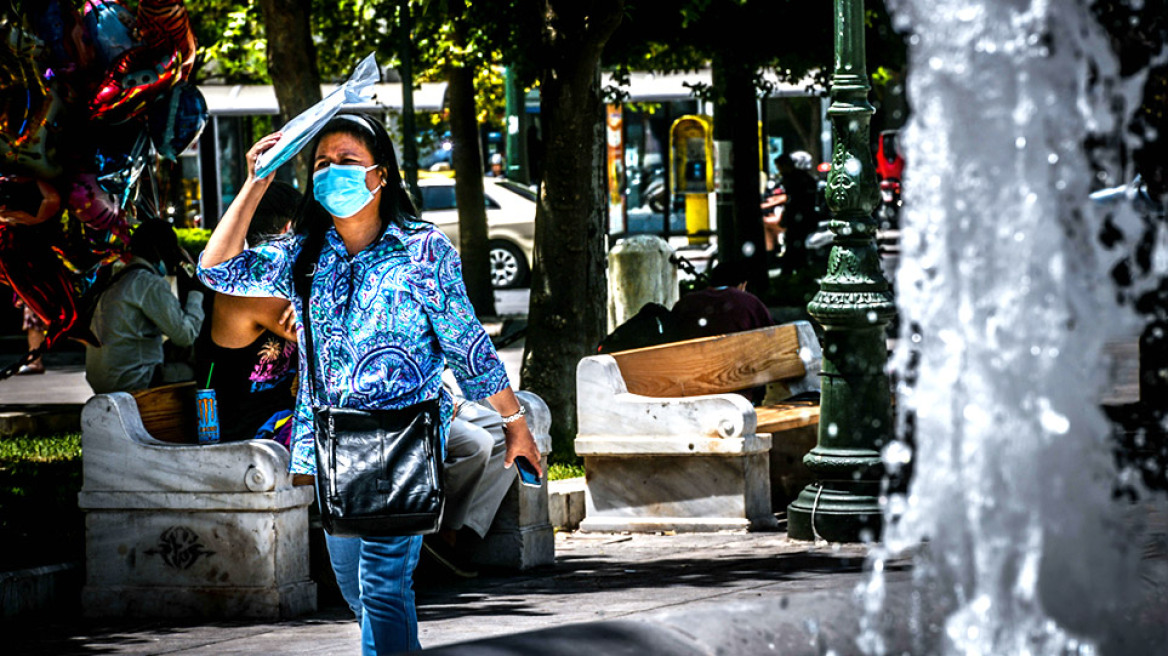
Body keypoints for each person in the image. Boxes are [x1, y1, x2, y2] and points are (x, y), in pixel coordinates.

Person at [197, 113, 542, 654]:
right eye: (322, 163)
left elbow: (467, 344)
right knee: (359, 588)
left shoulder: (423, 249)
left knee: (382, 586)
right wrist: (256, 181)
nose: (333, 172)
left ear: (381, 175)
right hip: (332, 443)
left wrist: (515, 422)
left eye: (348, 162)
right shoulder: (304, 254)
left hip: (403, 440)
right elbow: (215, 269)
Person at [193, 181, 301, 443]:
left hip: (274, 429)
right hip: (247, 444)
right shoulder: (250, 292)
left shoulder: (277, 287)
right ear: (289, 229)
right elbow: (332, 335)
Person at [85, 219, 204, 394]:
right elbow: (186, 335)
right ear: (159, 250)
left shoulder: (119, 279)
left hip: (103, 380)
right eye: (171, 251)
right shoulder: (149, 283)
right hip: (134, 380)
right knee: (206, 372)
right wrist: (196, 292)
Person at [671, 259, 775, 341]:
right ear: (742, 285)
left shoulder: (686, 302)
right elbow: (771, 335)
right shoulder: (750, 302)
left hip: (690, 363)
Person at [771, 152, 821, 272]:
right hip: (801, 216)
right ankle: (799, 271)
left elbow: (793, 199)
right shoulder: (802, 177)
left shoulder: (795, 178)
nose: (779, 170)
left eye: (779, 167)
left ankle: (792, 271)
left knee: (794, 245)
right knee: (796, 246)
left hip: (799, 217)